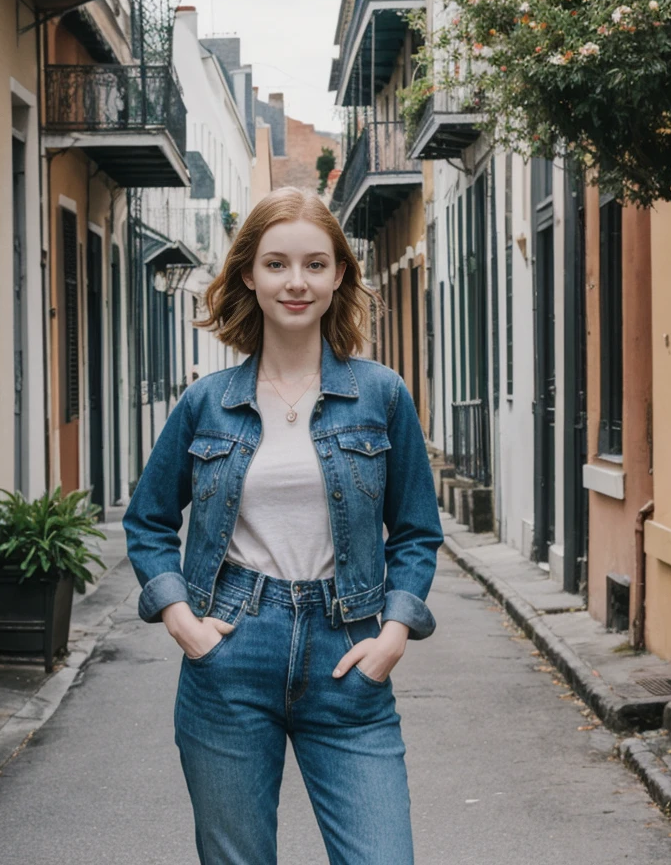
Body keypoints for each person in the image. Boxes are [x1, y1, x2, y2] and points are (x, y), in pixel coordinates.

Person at [123, 186, 444, 865]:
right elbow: (148, 521)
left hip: (349, 651)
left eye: (315, 265)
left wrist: (392, 635)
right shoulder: (206, 403)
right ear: (248, 274)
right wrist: (183, 622)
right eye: (276, 264)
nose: (296, 282)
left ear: (338, 278)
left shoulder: (382, 395)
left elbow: (416, 531)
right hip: (231, 651)